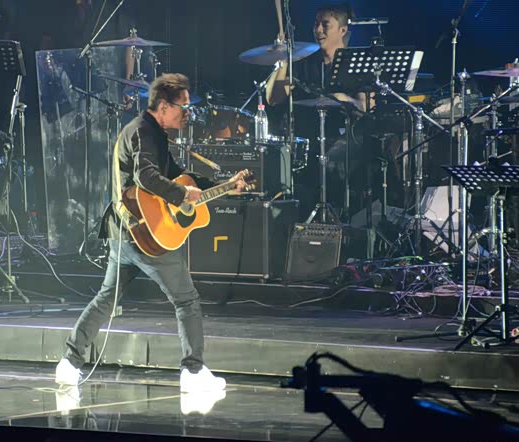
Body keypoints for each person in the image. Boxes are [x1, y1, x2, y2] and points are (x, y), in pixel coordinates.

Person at [55, 73, 248, 392]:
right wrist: (181, 195)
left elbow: (179, 176)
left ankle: (69, 363)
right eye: (183, 107)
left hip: (124, 233)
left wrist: (224, 186)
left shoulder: (149, 132)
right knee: (186, 300)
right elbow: (146, 177)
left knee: (106, 298)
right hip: (147, 236)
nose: (187, 113)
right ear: (163, 106)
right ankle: (193, 372)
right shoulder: (144, 132)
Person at [266, 4, 372, 218]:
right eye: (316, 24)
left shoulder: (355, 63)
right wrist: (284, 58)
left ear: (342, 30)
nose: (318, 30)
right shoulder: (304, 62)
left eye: (325, 25)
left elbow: (366, 106)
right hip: (308, 145)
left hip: (345, 144)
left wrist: (344, 99)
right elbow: (274, 99)